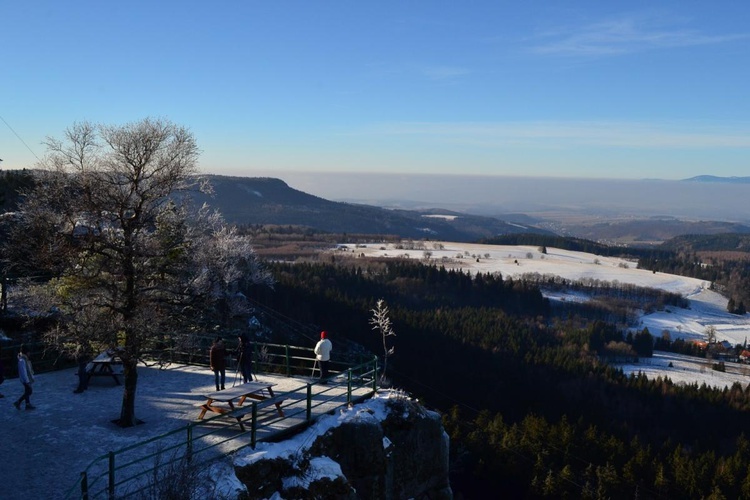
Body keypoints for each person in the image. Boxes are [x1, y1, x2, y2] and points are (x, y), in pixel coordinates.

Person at [14, 344, 35, 410]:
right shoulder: (22, 360)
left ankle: (27, 404)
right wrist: (27, 381)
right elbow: (23, 372)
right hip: (25, 379)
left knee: (27, 391)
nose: (30, 353)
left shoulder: (25, 359)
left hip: (26, 379)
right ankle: (18, 402)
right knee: (29, 391)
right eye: (29, 352)